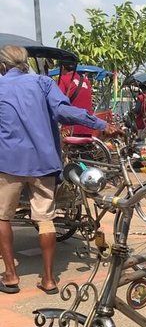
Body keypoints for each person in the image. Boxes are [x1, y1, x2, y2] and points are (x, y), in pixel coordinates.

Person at [0, 45, 120, 294]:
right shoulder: (43, 83)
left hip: (8, 163)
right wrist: (100, 123)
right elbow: (64, 112)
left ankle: (11, 276)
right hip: (44, 162)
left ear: (2, 66)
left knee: (3, 217)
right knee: (45, 219)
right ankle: (49, 279)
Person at [57, 69, 95, 135]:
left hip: (71, 130)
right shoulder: (85, 81)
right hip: (88, 128)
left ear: (62, 67)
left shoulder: (63, 79)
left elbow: (57, 102)